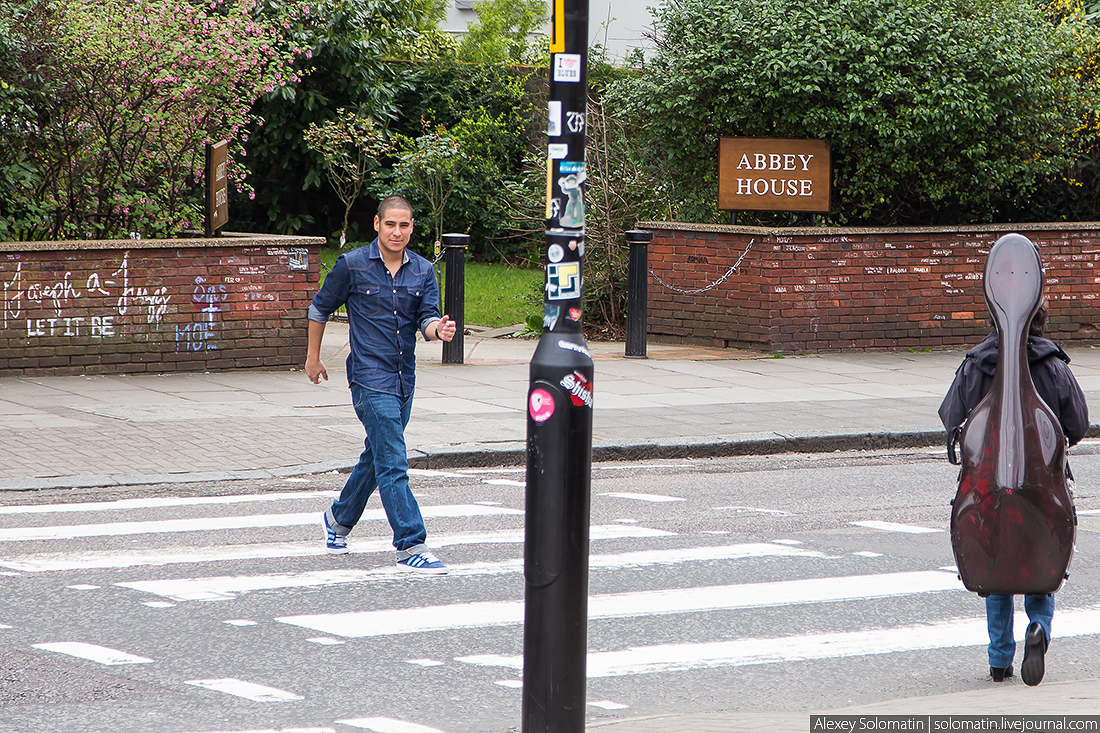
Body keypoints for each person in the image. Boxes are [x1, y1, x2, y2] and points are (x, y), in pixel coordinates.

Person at [305, 195, 456, 574]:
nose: (397, 232)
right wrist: (313, 357)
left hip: (405, 378)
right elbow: (320, 308)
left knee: (378, 456)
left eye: (404, 225)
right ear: (377, 223)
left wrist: (439, 330)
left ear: (411, 227)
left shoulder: (422, 270)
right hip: (369, 378)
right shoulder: (353, 265)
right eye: (391, 224)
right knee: (394, 462)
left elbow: (427, 319)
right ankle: (411, 544)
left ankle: (337, 519)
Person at [939, 303, 1088, 686]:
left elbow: (950, 415)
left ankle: (999, 659)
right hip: (1043, 484)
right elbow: (1078, 424)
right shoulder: (1053, 365)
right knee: (1041, 559)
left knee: (994, 563)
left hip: (987, 483)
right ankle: (1038, 627)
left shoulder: (978, 363)